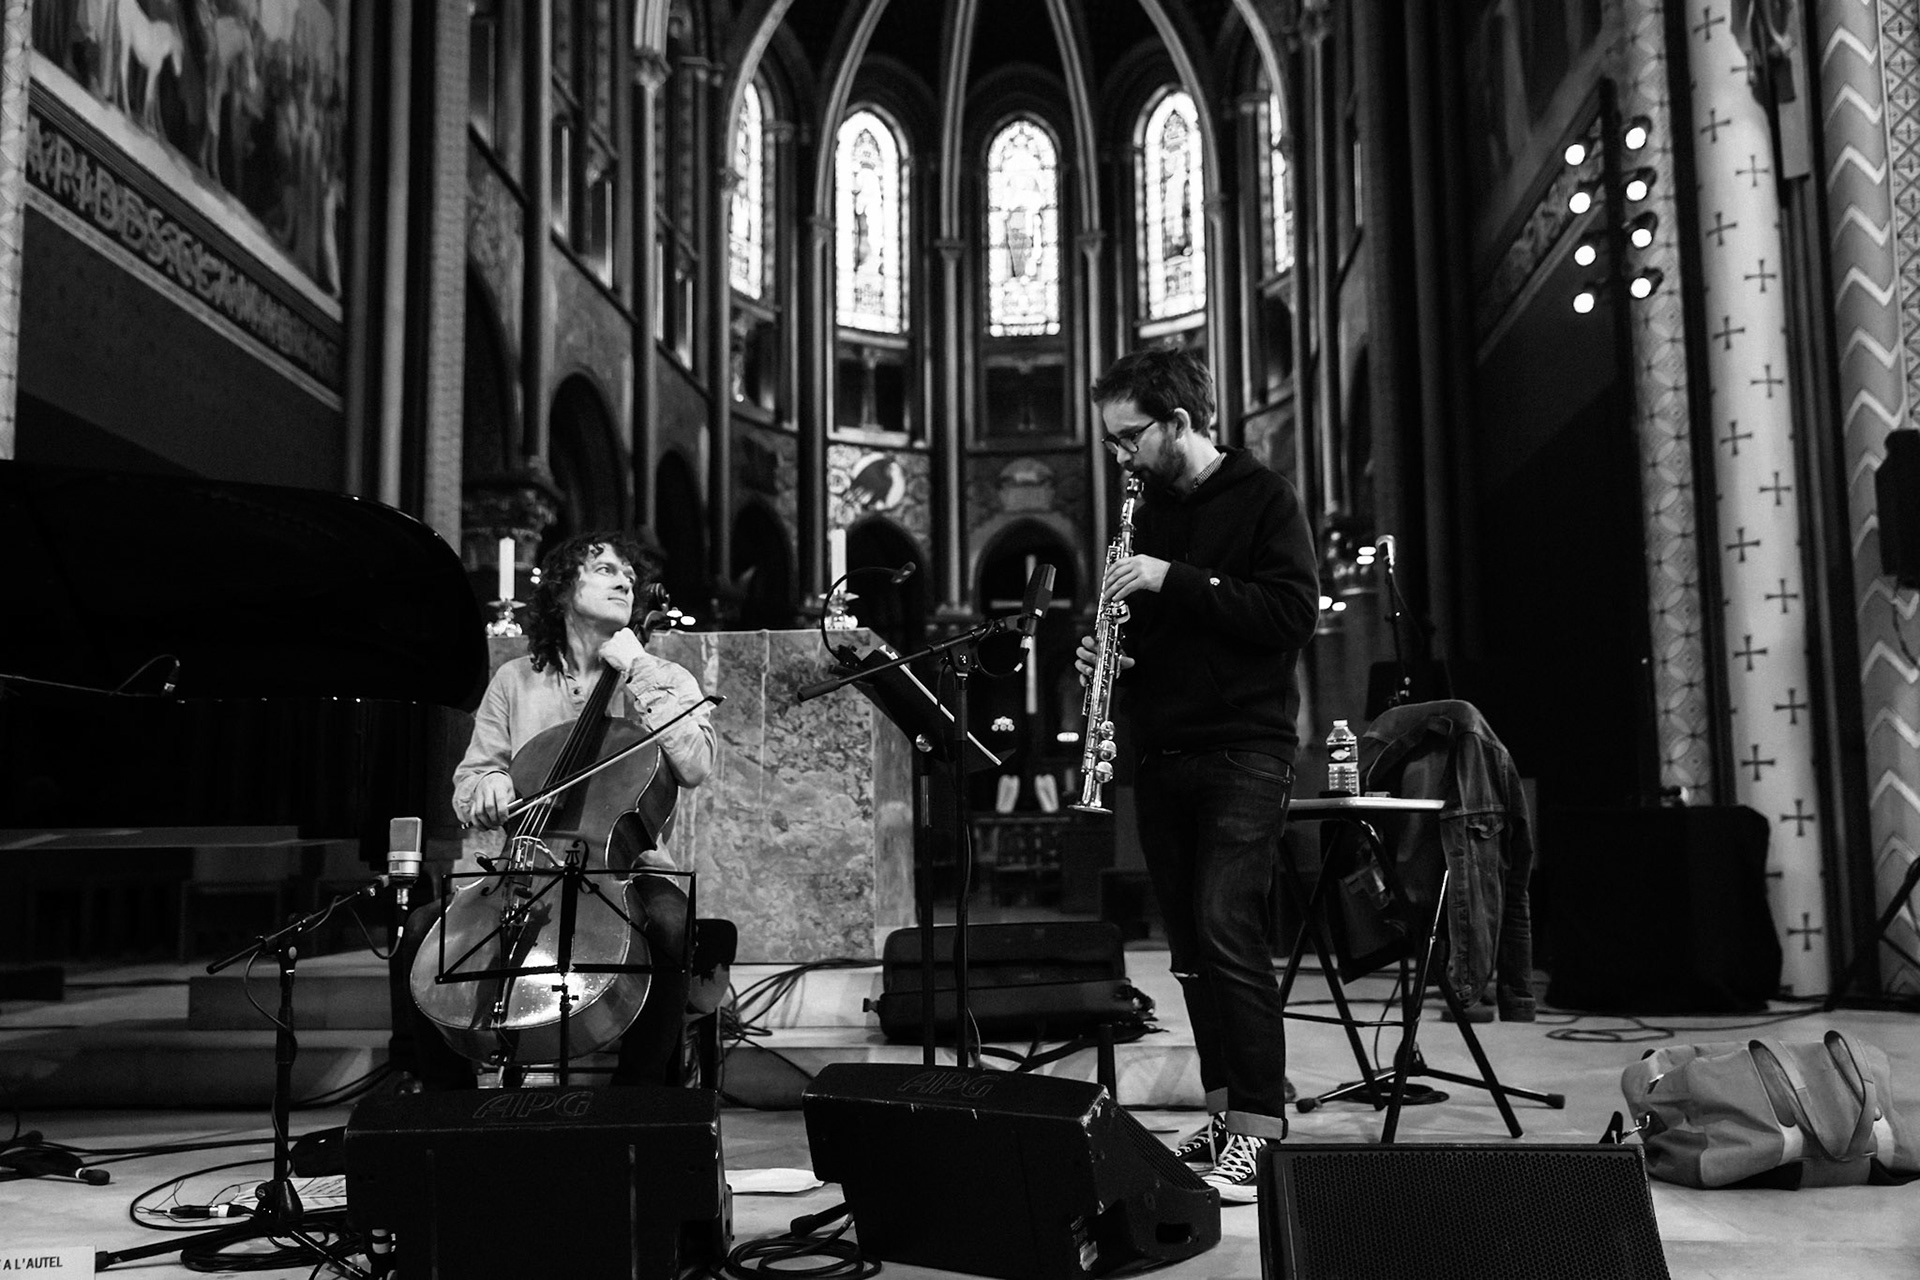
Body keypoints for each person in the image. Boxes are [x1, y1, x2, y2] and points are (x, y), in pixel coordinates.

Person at [1075, 347, 1319, 1203]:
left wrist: (1174, 579)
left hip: (1245, 749)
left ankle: (1260, 1127)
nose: (1120, 458)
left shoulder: (1263, 497)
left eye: (1129, 437)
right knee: (1188, 952)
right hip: (1166, 752)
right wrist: (1108, 657)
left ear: (1179, 423)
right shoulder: (1145, 515)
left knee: (1228, 932)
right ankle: (1223, 1114)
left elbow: (1290, 614)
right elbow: (1167, 637)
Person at [399, 531, 716, 1089]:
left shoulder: (664, 677)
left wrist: (638, 668)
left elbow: (694, 765)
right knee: (422, 932)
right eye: (606, 570)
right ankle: (445, 1106)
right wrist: (491, 784)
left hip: (627, 872)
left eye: (630, 576)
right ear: (566, 587)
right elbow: (470, 782)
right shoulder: (515, 680)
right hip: (524, 871)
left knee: (669, 922)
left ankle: (639, 1096)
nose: (625, 581)